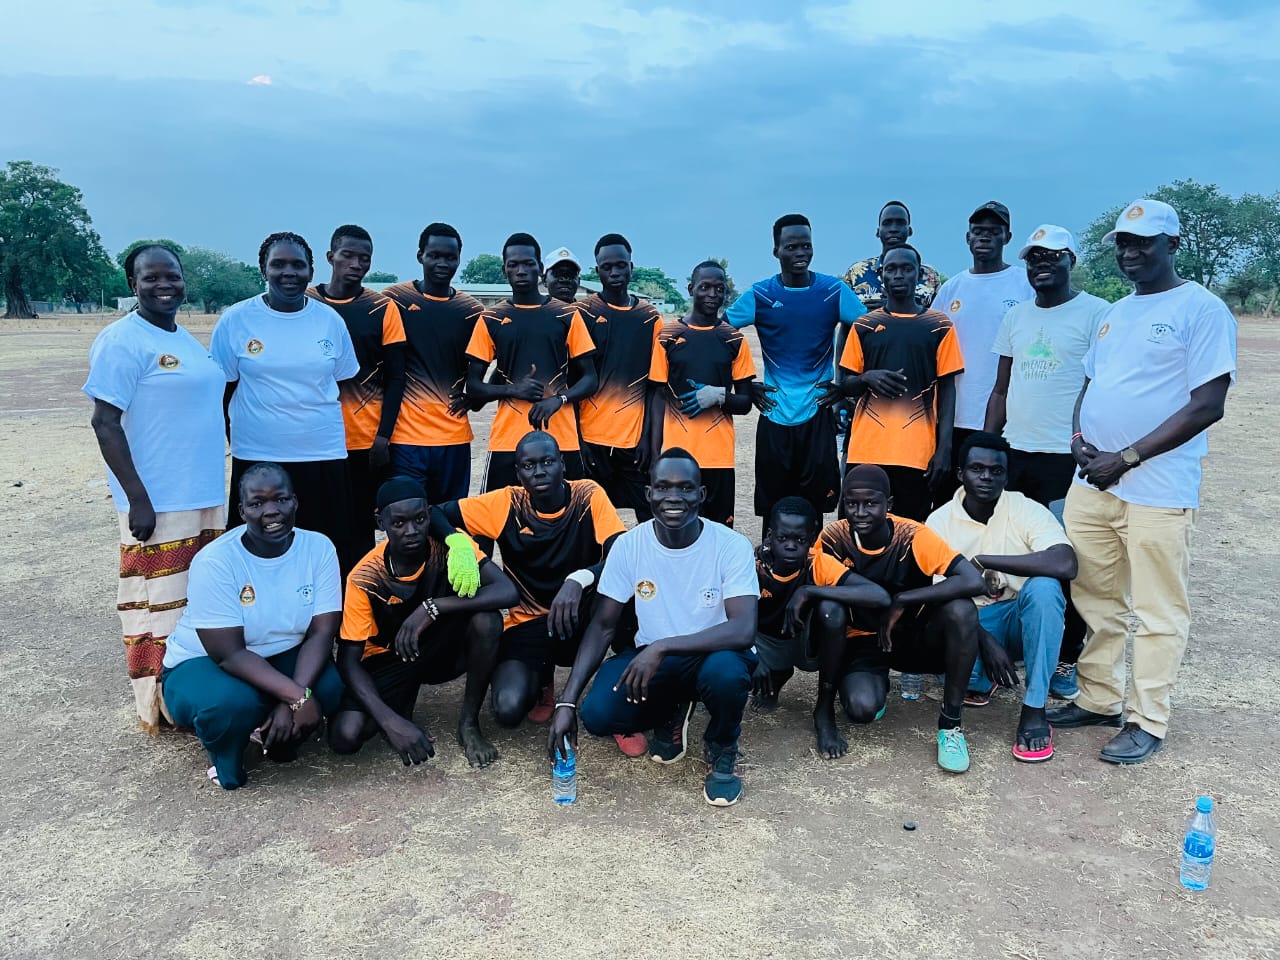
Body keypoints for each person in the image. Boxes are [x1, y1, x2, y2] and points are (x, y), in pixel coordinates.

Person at [1048, 199, 1236, 764]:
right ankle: (1099, 697)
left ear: (1172, 245)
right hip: (1094, 483)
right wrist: (1078, 439)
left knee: (1158, 610)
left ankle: (1147, 718)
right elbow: (1091, 385)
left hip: (1158, 489)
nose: (1130, 253)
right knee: (1096, 597)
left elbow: (1207, 404)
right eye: (1124, 244)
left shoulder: (1201, 309)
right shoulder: (1116, 312)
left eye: (1143, 243)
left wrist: (1126, 456)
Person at [548, 449, 760, 807]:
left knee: (724, 673)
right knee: (597, 715)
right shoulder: (630, 545)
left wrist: (662, 647)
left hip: (717, 653)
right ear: (648, 494)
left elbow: (742, 630)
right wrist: (566, 702)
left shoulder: (730, 545)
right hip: (658, 659)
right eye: (663, 487)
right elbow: (602, 627)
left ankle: (722, 747)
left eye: (685, 488)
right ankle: (672, 709)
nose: (673, 497)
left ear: (702, 494)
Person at [85, 244, 227, 732]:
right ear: (133, 284)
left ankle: (192, 693)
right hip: (158, 504)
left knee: (195, 602)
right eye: (151, 277)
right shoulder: (122, 340)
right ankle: (157, 704)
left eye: (172, 276)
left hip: (204, 496)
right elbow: (105, 423)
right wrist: (138, 498)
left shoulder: (183, 338)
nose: (164, 285)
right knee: (155, 605)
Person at [159, 463, 346, 790]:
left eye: (281, 499)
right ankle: (228, 755)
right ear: (242, 510)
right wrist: (298, 697)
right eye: (257, 503)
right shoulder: (216, 561)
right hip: (204, 662)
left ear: (295, 502)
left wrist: (292, 700)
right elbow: (229, 654)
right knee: (231, 705)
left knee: (330, 687)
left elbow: (322, 632)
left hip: (280, 653)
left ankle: (277, 736)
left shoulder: (319, 548)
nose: (271, 511)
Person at [433, 432, 630, 733]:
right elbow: (434, 512)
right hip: (529, 621)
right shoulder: (507, 501)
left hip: (581, 613)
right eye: (528, 465)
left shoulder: (587, 495)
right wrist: (457, 542)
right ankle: (542, 677)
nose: (539, 472)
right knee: (507, 709)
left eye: (547, 462)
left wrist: (580, 578)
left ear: (562, 464)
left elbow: (622, 553)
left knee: (629, 596)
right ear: (518, 472)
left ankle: (619, 696)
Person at [985, 224, 1108, 700]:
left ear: (1071, 260)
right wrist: (988, 445)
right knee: (1013, 551)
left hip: (1068, 459)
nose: (1042, 264)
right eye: (1034, 257)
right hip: (1016, 455)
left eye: (1053, 256)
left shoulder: (1097, 313)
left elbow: (1104, 385)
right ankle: (1009, 648)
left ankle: (1065, 657)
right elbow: (1001, 388)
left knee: (1066, 559)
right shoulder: (1016, 317)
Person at [328, 478, 519, 768]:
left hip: (440, 649)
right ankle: (401, 707)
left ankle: (469, 724)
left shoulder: (452, 548)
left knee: (487, 621)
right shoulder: (365, 577)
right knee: (346, 736)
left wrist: (433, 607)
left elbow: (507, 591)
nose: (411, 531)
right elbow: (348, 661)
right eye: (398, 523)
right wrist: (390, 723)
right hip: (390, 658)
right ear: (381, 523)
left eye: (419, 519)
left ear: (429, 515)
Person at [817, 465, 989, 772]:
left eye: (871, 503)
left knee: (961, 609)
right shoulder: (833, 537)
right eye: (852, 503)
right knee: (861, 709)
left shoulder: (913, 535)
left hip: (912, 635)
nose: (860, 512)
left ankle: (950, 725)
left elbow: (973, 580)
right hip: (863, 641)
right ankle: (873, 685)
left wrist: (904, 599)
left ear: (889, 504)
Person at [925, 433, 1078, 762]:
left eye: (996, 471)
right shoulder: (939, 522)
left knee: (1045, 587)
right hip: (970, 625)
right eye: (976, 469)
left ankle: (1034, 709)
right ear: (960, 474)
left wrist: (985, 560)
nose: (986, 477)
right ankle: (984, 675)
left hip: (1018, 618)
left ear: (1006, 477)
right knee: (971, 679)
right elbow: (937, 598)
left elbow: (1066, 563)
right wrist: (986, 642)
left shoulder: (1025, 509)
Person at [211, 232, 359, 566]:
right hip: (258, 455)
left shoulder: (329, 321)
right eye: (278, 264)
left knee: (326, 547)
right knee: (258, 549)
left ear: (311, 271)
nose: (288, 272)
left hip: (322, 453)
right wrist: (237, 439)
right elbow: (223, 389)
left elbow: (339, 378)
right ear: (263, 269)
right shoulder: (236, 320)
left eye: (298, 265)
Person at [726, 214, 867, 521]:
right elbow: (717, 334)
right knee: (774, 510)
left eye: (806, 245)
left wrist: (846, 384)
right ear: (776, 250)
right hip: (774, 413)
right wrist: (745, 385)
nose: (801, 252)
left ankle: (815, 555)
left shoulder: (833, 291)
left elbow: (870, 330)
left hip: (818, 415)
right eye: (791, 247)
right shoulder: (761, 295)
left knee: (815, 509)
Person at [819, 245, 964, 521]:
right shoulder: (864, 325)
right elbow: (846, 384)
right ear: (882, 275)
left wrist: (944, 449)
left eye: (907, 269)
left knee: (908, 531)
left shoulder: (939, 326)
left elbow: (948, 389)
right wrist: (867, 378)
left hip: (917, 453)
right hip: (866, 451)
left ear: (918, 275)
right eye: (891, 269)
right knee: (857, 527)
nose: (899, 275)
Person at [306, 225, 407, 572]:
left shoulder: (382, 308)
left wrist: (383, 436)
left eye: (364, 258)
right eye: (348, 255)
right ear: (330, 257)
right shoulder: (306, 302)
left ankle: (358, 595)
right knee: (316, 524)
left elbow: (396, 377)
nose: (356, 264)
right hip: (314, 439)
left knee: (361, 527)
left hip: (365, 440)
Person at [465, 232, 597, 491]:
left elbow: (591, 379)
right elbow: (473, 387)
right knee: (502, 514)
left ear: (540, 268)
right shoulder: (491, 318)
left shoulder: (567, 315)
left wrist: (558, 400)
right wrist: (514, 390)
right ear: (504, 270)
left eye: (528, 263)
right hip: (507, 442)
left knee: (567, 513)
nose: (521, 270)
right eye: (513, 264)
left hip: (562, 439)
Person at [752, 497, 892, 726]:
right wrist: (750, 655)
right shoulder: (753, 564)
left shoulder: (817, 563)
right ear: (769, 535)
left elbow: (879, 596)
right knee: (732, 674)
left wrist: (809, 590)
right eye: (782, 538)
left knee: (831, 609)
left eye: (800, 540)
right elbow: (729, 615)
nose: (790, 546)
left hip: (806, 642)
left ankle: (824, 708)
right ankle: (778, 673)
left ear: (811, 539)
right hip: (765, 642)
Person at [930, 201, 1034, 497]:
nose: (984, 236)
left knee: (1000, 503)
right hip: (955, 417)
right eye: (978, 231)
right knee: (951, 501)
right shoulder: (951, 289)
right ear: (968, 237)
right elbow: (933, 346)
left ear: (1008, 237)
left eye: (993, 231)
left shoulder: (1024, 284)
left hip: (1008, 418)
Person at [382, 223, 485, 505]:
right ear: (420, 256)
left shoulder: (472, 311)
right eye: (434, 255)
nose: (442, 263)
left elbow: (501, 359)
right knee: (407, 515)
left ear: (459, 259)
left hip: (454, 438)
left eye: (450, 257)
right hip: (405, 439)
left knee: (448, 517)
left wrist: (476, 398)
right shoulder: (394, 301)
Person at [648, 260, 756, 527]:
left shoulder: (734, 339)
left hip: (718, 456)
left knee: (719, 531)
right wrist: (655, 454)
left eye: (719, 289)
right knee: (677, 530)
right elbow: (658, 396)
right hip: (676, 456)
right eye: (705, 287)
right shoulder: (667, 335)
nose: (712, 294)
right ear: (691, 289)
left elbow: (745, 402)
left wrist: (720, 396)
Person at [575, 233, 664, 521]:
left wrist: (650, 443)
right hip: (590, 441)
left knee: (649, 520)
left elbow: (656, 387)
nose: (614, 272)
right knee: (589, 522)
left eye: (621, 265)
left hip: (634, 443)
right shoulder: (583, 314)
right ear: (597, 270)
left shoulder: (650, 318)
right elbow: (572, 381)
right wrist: (578, 440)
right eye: (607, 267)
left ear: (631, 267)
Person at [843, 201, 941, 309]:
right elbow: (843, 313)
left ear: (909, 231)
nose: (893, 229)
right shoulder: (856, 273)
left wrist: (895, 306)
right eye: (887, 223)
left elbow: (938, 316)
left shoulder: (929, 275)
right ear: (878, 232)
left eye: (900, 223)